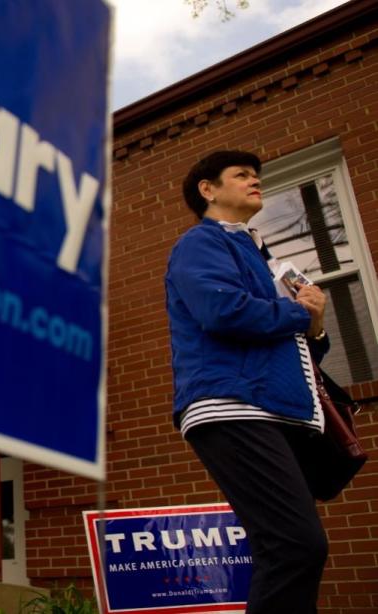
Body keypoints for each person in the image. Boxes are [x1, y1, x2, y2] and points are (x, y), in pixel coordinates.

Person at [165, 150, 330, 613]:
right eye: (241, 175)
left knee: (293, 548)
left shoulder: (262, 255)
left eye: (258, 176)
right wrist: (300, 313)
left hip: (278, 408)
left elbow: (298, 345)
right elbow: (222, 310)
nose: (255, 181)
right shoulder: (201, 242)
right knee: (295, 546)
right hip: (232, 404)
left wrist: (314, 326)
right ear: (208, 189)